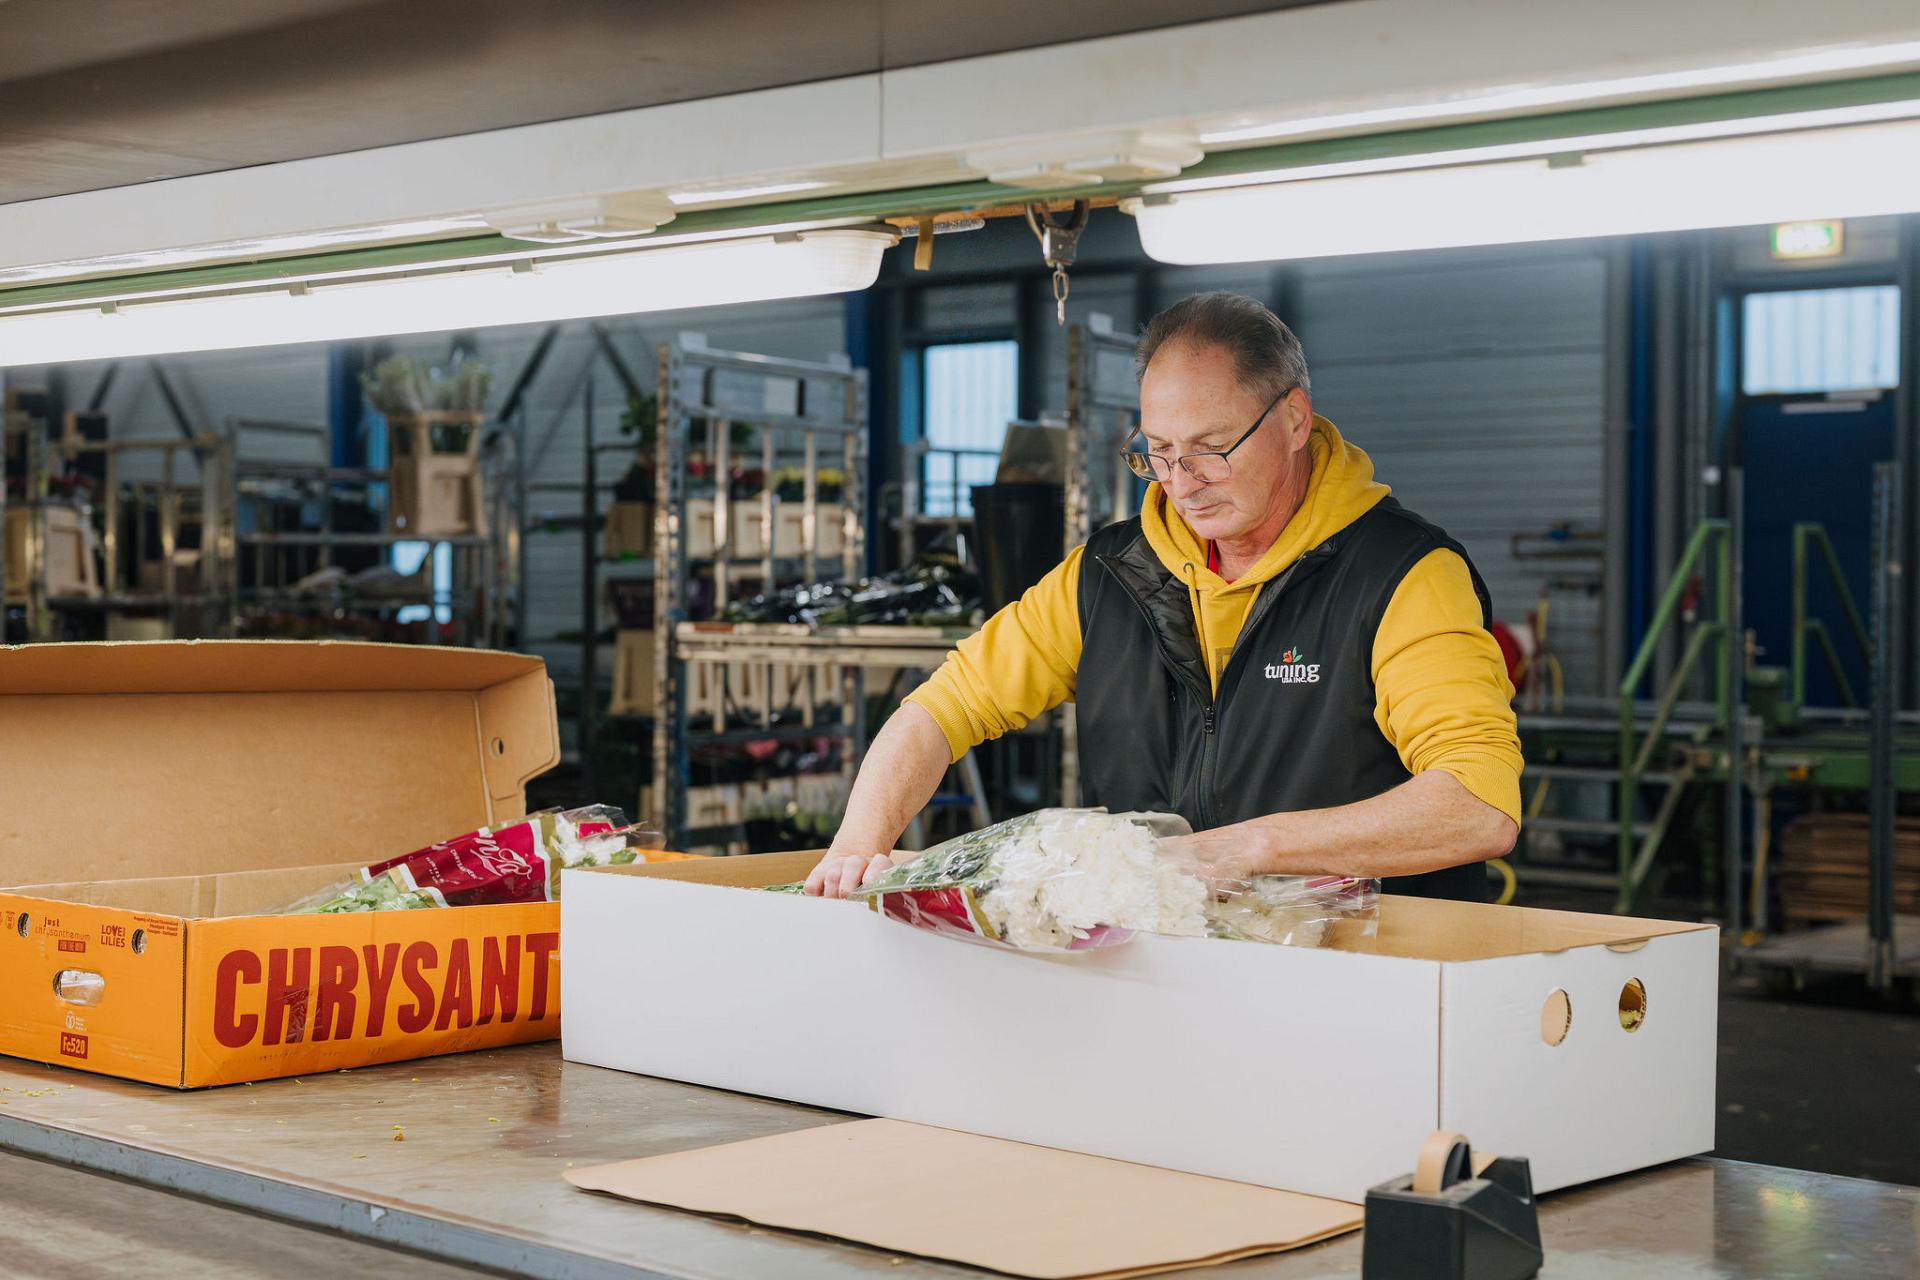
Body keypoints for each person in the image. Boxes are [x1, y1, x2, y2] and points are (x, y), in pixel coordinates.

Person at [806, 291, 1521, 900]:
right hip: (1160, 974)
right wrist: (854, 852)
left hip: (1364, 980)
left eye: (1211, 448)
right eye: (1158, 452)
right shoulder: (1108, 574)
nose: (1181, 483)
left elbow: (1477, 805)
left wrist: (1242, 850)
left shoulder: (1401, 575)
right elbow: (939, 710)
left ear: (1295, 419)